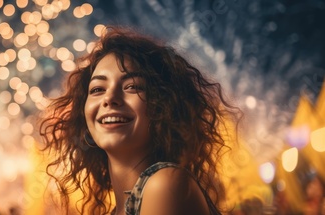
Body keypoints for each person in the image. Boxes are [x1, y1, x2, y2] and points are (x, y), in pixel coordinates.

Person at [39, 26, 240, 215]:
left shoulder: (164, 184)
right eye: (97, 89)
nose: (109, 98)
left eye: (132, 86)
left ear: (164, 105)